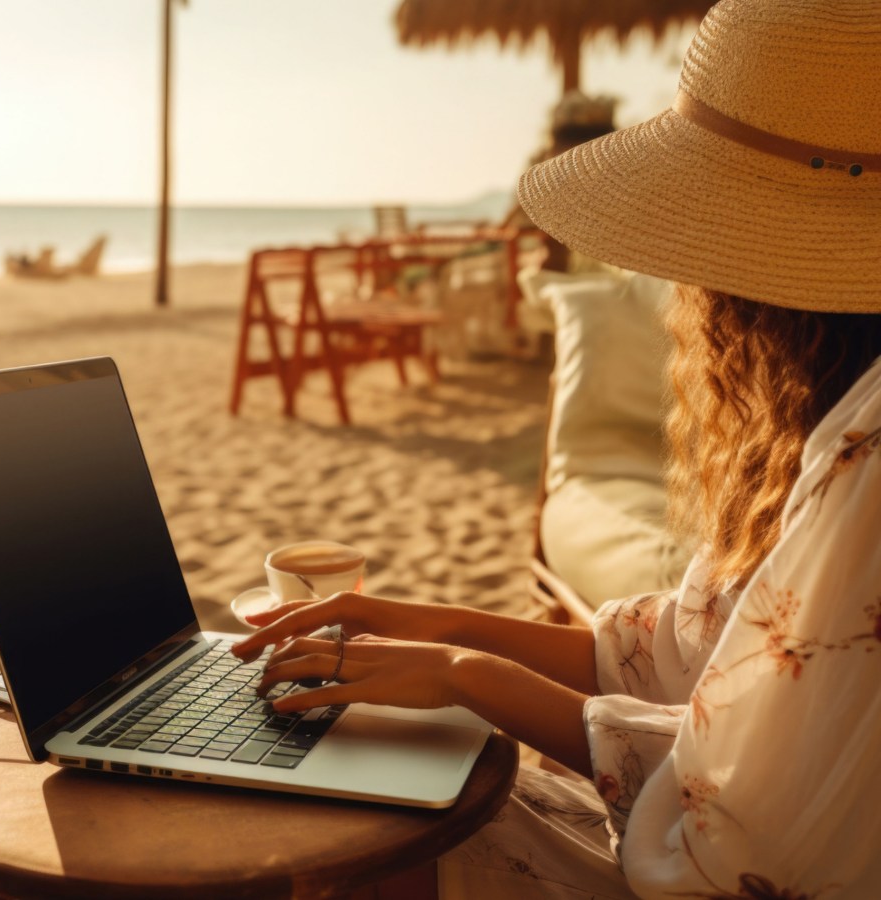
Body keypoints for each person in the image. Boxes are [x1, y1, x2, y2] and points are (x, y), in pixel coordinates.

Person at [233, 1, 881, 896]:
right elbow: (692, 651)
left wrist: (467, 677)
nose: (684, 276)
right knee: (372, 795)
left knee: (367, 831)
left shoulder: (871, 459)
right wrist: (430, 625)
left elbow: (739, 826)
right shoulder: (839, 414)